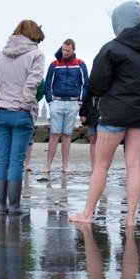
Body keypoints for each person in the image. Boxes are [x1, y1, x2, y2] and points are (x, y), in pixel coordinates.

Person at [71, 2, 140, 226]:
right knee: (134, 165)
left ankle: (87, 214)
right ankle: (131, 217)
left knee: (101, 165)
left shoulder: (111, 48)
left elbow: (96, 83)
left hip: (114, 113)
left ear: (119, 23)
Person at [0, 19, 47, 214]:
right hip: (21, 113)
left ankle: (2, 206)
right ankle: (14, 206)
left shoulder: (1, 55)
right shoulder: (36, 55)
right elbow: (33, 83)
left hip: (1, 112)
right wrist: (26, 105)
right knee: (16, 161)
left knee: (2, 158)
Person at [40, 40, 88, 180]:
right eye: (63, 50)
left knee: (67, 135)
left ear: (73, 50)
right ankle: (48, 165)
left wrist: (80, 102)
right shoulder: (54, 64)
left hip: (73, 103)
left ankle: (64, 165)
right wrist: (50, 101)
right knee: (55, 134)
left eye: (67, 50)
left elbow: (85, 84)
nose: (65, 52)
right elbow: (48, 83)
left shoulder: (80, 64)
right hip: (57, 102)